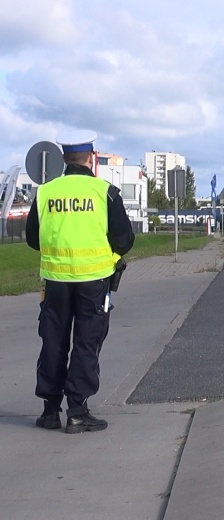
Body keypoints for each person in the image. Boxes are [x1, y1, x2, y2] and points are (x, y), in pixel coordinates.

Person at [25, 130, 135, 433]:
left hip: (55, 282)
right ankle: (77, 411)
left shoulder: (46, 193)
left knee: (53, 342)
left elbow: (33, 239)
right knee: (87, 343)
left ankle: (49, 411)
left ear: (63, 159)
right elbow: (124, 241)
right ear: (92, 158)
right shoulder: (106, 192)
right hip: (94, 282)